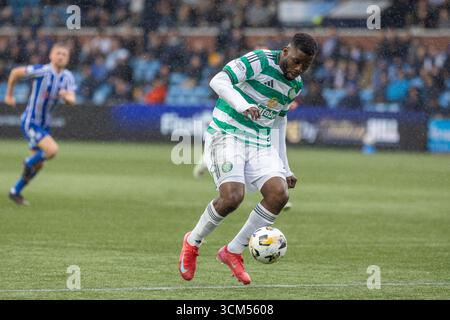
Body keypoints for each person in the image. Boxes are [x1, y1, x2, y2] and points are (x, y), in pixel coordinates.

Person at [179, 33, 318, 285]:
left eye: (305, 66)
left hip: (259, 143)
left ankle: (233, 251)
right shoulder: (260, 60)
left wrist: (285, 168)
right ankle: (192, 242)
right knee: (232, 197)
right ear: (286, 51)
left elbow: (278, 121)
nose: (299, 69)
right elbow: (218, 80)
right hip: (227, 134)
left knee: (279, 194)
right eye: (296, 61)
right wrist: (243, 105)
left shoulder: (295, 85)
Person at [4, 43, 77, 206]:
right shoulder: (42, 71)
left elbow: (73, 99)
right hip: (31, 121)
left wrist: (66, 97)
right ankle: (28, 162)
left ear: (68, 59)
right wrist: (9, 95)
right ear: (51, 56)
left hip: (44, 125)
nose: (61, 57)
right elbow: (15, 72)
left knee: (40, 165)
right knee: (52, 150)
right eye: (58, 53)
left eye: (64, 55)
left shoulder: (68, 77)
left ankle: (15, 191)